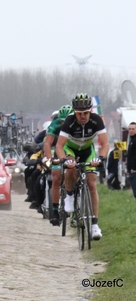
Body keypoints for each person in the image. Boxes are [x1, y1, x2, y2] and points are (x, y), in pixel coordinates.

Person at [56, 93, 108, 241]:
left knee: (92, 183)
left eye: (86, 113)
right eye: (79, 114)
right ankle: (70, 196)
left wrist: (101, 158)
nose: (83, 116)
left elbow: (105, 144)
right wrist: (64, 160)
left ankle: (95, 225)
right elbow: (59, 146)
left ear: (90, 111)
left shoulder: (96, 120)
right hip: (71, 150)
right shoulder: (69, 121)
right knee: (71, 168)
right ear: (75, 112)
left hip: (88, 151)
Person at [42, 105, 73, 225]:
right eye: (61, 121)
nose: (63, 123)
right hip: (59, 150)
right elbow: (47, 144)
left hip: (72, 150)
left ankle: (75, 198)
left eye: (66, 120)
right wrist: (50, 159)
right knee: (56, 177)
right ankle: (55, 211)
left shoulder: (77, 123)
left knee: (74, 172)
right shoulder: (55, 124)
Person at [127, 122, 136, 198]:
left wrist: (134, 168)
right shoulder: (131, 140)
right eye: (130, 129)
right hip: (131, 170)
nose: (131, 130)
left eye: (133, 129)